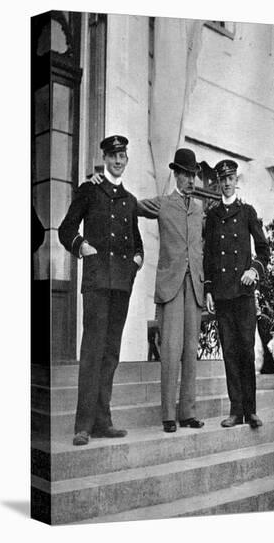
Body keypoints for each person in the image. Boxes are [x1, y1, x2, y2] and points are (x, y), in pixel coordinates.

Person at [91, 148, 205, 433]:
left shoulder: (201, 208)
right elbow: (129, 205)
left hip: (195, 287)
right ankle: (169, 415)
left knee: (191, 350)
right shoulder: (163, 204)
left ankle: (188, 412)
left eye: (193, 175)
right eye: (186, 174)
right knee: (170, 350)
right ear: (176, 175)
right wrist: (99, 181)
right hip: (170, 287)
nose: (190, 180)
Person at [58, 135, 144, 445]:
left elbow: (137, 244)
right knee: (92, 352)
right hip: (96, 283)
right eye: (113, 156)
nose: (118, 161)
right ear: (105, 159)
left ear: (126, 160)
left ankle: (102, 421)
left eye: (122, 156)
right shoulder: (89, 191)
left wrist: (136, 262)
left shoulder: (130, 200)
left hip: (121, 285)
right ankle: (83, 425)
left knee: (111, 354)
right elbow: (66, 229)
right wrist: (82, 247)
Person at [203, 159, 270, 429]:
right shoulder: (213, 215)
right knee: (229, 353)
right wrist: (208, 288)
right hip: (222, 295)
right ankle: (235, 410)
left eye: (231, 178)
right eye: (223, 178)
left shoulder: (247, 212)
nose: (227, 182)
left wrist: (254, 270)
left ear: (236, 181)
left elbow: (264, 249)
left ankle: (251, 410)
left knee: (247, 352)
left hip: (243, 295)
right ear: (219, 182)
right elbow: (208, 256)